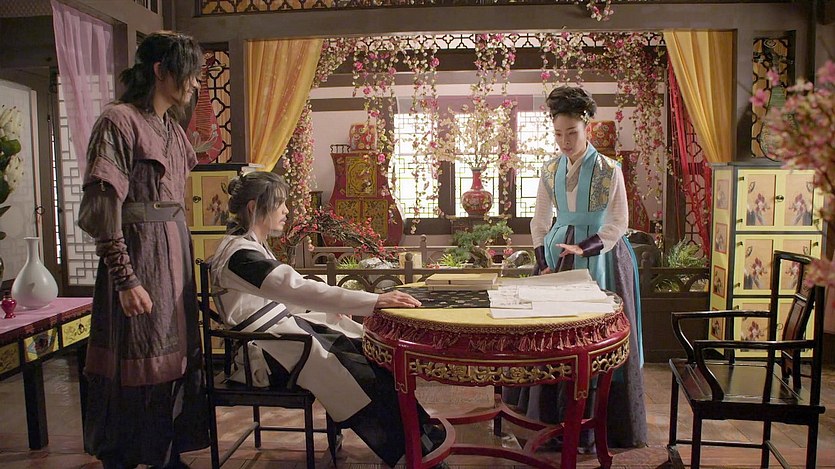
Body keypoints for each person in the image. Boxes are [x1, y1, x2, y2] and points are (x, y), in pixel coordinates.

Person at [210, 171, 445, 467]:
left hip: (279, 336)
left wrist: (332, 310)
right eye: (280, 204)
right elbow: (296, 288)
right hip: (266, 353)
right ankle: (412, 451)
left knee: (371, 357)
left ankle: (421, 437)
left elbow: (280, 294)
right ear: (254, 207)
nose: (286, 211)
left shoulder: (245, 246)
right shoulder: (241, 255)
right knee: (361, 376)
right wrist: (374, 300)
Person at [77, 31, 209, 468]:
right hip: (139, 258)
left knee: (173, 360)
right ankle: (123, 456)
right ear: (160, 70)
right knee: (135, 360)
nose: (195, 83)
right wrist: (125, 278)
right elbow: (103, 205)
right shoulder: (118, 120)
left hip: (174, 259)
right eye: (189, 73)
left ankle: (164, 453)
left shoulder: (172, 129)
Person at [503, 86, 647, 448]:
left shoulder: (609, 170)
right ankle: (550, 422)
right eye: (558, 134)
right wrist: (542, 262)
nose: (565, 142)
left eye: (572, 133)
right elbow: (540, 221)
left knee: (592, 339)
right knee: (554, 337)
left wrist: (585, 247)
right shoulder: (550, 170)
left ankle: (592, 426)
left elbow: (618, 223)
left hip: (602, 256)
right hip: (557, 257)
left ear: (587, 128)